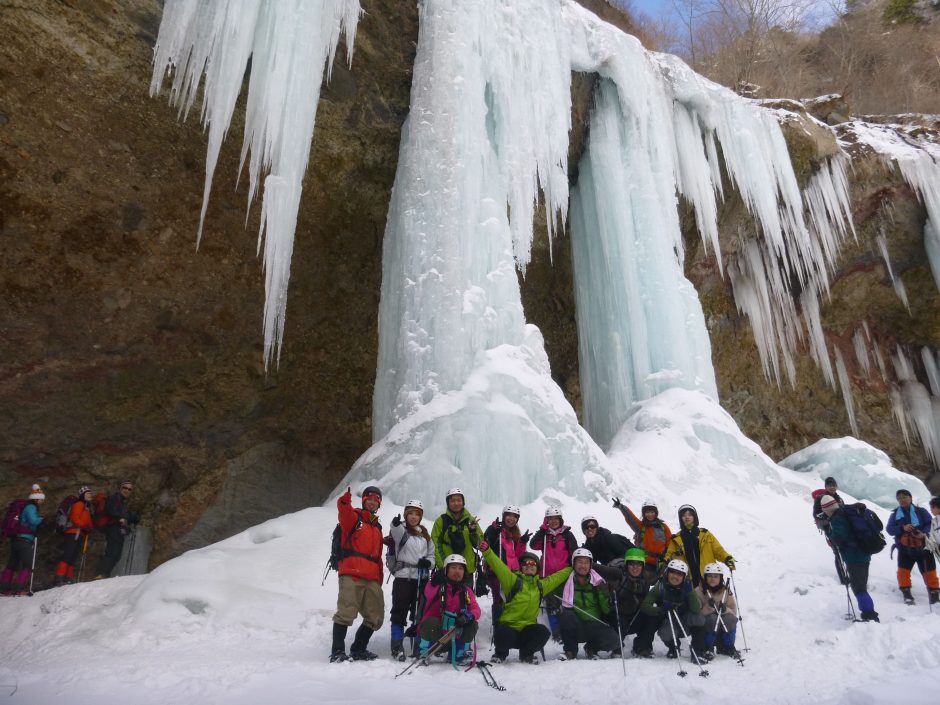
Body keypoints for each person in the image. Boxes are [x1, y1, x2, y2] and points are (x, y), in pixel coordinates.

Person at [478, 540, 572, 664]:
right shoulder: (512, 580)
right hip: (509, 628)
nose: (529, 565)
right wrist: (487, 551)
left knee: (543, 632)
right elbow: (498, 566)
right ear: (521, 567)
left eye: (533, 563)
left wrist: (573, 567)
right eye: (525, 563)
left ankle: (526, 654)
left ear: (537, 567)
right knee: (502, 632)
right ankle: (500, 653)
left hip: (527, 630)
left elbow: (558, 577)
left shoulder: (540, 586)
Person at [331, 486, 384, 662]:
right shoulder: (354, 518)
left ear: (379, 503)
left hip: (371, 576)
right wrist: (344, 501)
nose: (372, 501)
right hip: (352, 572)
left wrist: (379, 577)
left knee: (375, 616)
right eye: (369, 498)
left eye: (376, 499)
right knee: (346, 612)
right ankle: (337, 651)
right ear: (364, 500)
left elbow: (378, 557)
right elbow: (344, 514)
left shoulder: (377, 527)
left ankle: (358, 649)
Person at [386, 498, 434, 660]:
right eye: (411, 513)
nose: (414, 517)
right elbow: (395, 531)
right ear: (406, 515)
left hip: (421, 577)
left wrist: (429, 563)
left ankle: (419, 645)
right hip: (403, 577)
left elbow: (432, 555)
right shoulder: (402, 531)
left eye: (417, 514)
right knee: (400, 610)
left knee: (419, 612)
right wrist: (395, 524)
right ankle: (397, 645)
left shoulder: (425, 534)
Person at [820, 494, 878, 621]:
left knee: (858, 587)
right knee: (861, 585)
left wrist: (828, 531)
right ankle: (869, 613)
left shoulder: (837, 518)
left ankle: (870, 615)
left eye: (825, 511)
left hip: (853, 556)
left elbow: (839, 538)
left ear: (827, 509)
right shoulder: (846, 512)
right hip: (864, 553)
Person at [630, 559, 702, 660]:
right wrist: (661, 610)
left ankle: (698, 650)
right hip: (669, 621)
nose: (675, 576)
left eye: (679, 574)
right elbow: (645, 605)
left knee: (699, 619)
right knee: (661, 628)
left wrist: (689, 592)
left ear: (684, 577)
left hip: (684, 621)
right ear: (667, 572)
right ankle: (673, 647)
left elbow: (696, 609)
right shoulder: (661, 587)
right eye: (672, 572)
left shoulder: (687, 588)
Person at [417, 554, 481, 665]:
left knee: (472, 623)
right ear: (446, 570)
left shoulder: (466, 591)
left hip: (454, 636)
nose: (457, 571)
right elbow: (428, 592)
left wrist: (468, 616)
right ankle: (424, 653)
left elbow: (476, 609)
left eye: (460, 568)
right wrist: (433, 582)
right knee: (431, 621)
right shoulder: (437, 586)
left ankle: (458, 654)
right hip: (435, 637)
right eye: (453, 567)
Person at [558, 548, 620, 660]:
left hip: (593, 623)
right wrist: (551, 599)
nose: (583, 566)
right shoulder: (566, 580)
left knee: (615, 642)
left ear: (590, 565)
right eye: (580, 562)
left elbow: (606, 610)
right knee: (566, 615)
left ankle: (591, 648)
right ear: (574, 563)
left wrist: (605, 595)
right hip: (576, 625)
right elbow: (551, 588)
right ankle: (570, 651)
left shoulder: (598, 581)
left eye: (586, 562)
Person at [530, 506, 578, 640]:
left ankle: (567, 630)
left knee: (566, 603)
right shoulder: (545, 535)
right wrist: (542, 530)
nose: (553, 521)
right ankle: (557, 632)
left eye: (556, 518)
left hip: (564, 574)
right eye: (550, 519)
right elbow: (533, 545)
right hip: (548, 575)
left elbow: (574, 551)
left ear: (560, 519)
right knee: (551, 604)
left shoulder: (567, 534)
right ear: (546, 520)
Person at [885, 489, 938, 605]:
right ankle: (906, 593)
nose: (902, 500)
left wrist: (922, 533)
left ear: (910, 498)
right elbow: (889, 529)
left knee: (929, 572)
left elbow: (930, 524)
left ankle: (934, 594)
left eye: (904, 497)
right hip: (905, 548)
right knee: (903, 572)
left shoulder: (921, 511)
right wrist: (902, 528)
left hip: (924, 546)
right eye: (899, 498)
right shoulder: (895, 514)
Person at [664, 504, 735, 588]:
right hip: (688, 579)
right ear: (681, 519)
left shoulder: (706, 534)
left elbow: (718, 550)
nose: (687, 517)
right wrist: (664, 561)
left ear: (694, 517)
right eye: (683, 515)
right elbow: (669, 555)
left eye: (690, 515)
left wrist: (727, 558)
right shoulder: (676, 539)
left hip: (708, 576)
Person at [593, 547, 654, 645]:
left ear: (643, 566)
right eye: (631, 564)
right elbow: (601, 569)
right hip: (614, 617)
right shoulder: (618, 574)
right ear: (626, 565)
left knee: (650, 616)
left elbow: (659, 577)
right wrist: (584, 561)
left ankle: (642, 647)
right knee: (621, 624)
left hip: (633, 618)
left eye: (638, 564)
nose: (635, 567)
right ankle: (596, 647)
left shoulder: (645, 578)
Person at [482, 504, 530, 625]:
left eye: (515, 517)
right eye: (509, 515)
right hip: (497, 571)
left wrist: (522, 542)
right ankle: (497, 625)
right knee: (498, 599)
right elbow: (486, 543)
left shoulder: (515, 533)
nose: (511, 519)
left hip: (512, 571)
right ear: (504, 516)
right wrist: (493, 529)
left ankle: (511, 623)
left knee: (512, 598)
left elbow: (518, 555)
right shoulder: (494, 529)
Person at [1, 484, 45, 595]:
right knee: (28, 564)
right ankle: (19, 589)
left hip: (16, 539)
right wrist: (42, 519)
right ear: (36, 498)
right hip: (24, 540)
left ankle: (4, 588)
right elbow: (33, 521)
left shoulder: (27, 506)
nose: (42, 501)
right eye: (41, 499)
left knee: (12, 563)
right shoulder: (31, 507)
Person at [431, 488, 481, 585]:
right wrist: (443, 566)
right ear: (448, 503)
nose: (456, 503)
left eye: (459, 500)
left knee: (467, 599)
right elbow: (435, 544)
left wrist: (473, 532)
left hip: (467, 570)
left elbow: (479, 544)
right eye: (453, 500)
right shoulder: (441, 521)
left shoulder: (470, 520)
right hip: (447, 571)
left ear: (463, 502)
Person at [613, 498, 672, 577]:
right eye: (647, 512)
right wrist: (621, 507)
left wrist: (667, 560)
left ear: (656, 513)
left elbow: (670, 545)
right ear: (644, 514)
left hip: (659, 564)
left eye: (652, 512)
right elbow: (631, 518)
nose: (650, 514)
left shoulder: (664, 527)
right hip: (641, 562)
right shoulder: (641, 527)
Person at [93, 480, 140, 580]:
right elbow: (112, 511)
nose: (127, 490)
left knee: (116, 554)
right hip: (113, 528)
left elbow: (120, 513)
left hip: (117, 529)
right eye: (125, 488)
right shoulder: (114, 498)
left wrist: (129, 518)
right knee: (112, 551)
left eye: (129, 489)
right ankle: (102, 574)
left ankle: (104, 574)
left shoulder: (121, 501)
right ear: (120, 488)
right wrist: (127, 517)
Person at [692, 563, 739, 659]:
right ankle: (708, 647)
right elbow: (697, 614)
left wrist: (726, 609)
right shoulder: (698, 591)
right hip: (707, 623)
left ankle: (726, 647)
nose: (712, 579)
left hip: (723, 620)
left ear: (720, 578)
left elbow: (733, 611)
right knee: (712, 619)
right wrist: (709, 607)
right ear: (705, 577)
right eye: (709, 576)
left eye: (716, 576)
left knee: (730, 619)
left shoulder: (725, 590)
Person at [54, 486, 95, 586]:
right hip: (73, 532)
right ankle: (59, 578)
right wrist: (84, 526)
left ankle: (68, 578)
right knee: (68, 555)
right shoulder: (79, 504)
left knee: (73, 556)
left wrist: (89, 527)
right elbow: (74, 518)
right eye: (87, 493)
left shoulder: (86, 508)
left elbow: (88, 522)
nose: (90, 495)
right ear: (82, 495)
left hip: (80, 533)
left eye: (90, 493)